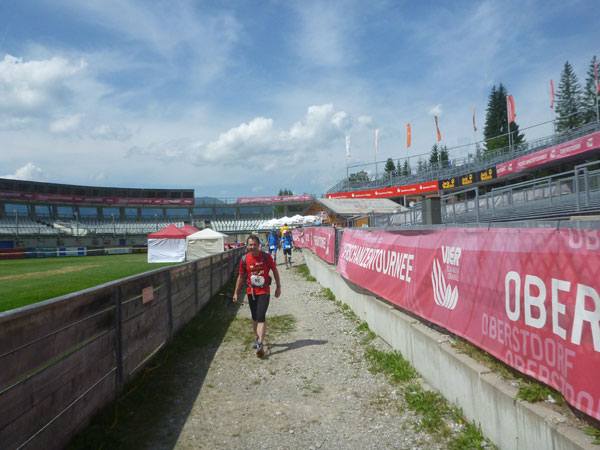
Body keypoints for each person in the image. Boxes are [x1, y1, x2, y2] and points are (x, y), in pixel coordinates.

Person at [233, 234, 281, 358]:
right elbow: (241, 276)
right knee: (254, 317)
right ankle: (256, 337)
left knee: (261, 316)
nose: (252, 247)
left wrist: (278, 287)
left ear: (259, 245)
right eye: (250, 245)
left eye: (255, 244)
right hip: (251, 292)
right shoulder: (244, 259)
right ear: (247, 246)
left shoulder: (266, 257)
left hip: (264, 290)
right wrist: (236, 292)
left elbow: (275, 271)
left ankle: (260, 344)